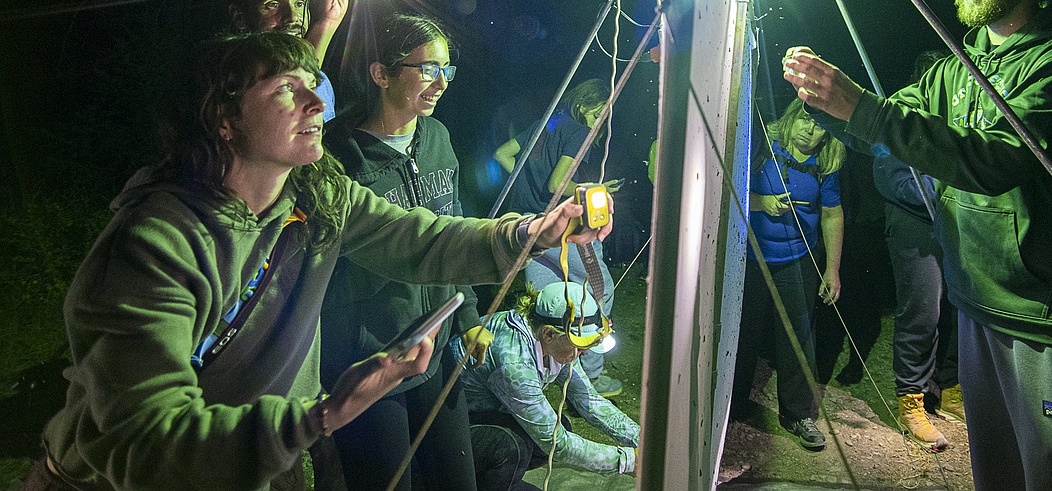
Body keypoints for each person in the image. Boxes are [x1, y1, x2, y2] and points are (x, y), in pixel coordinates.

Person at [25, 31, 612, 491]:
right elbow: (148, 447)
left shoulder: (314, 196)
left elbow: (420, 238)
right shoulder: (155, 244)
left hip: (263, 465)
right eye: (287, 88)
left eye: (315, 84)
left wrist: (532, 233)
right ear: (223, 119)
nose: (317, 102)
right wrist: (323, 414)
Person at [783, 0, 1052, 490]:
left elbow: (997, 160)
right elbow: (884, 129)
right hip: (980, 307)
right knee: (997, 476)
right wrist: (819, 99)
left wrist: (863, 110)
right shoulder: (958, 66)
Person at [320, 13, 483, 491]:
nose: (441, 83)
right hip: (373, 354)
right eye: (428, 69)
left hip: (439, 348)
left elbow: (453, 230)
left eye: (447, 70)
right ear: (382, 73)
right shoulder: (338, 155)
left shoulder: (438, 139)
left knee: (456, 481)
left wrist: (469, 313)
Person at [493, 78, 624, 396]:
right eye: (600, 112)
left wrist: (527, 189)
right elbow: (557, 184)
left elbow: (502, 155)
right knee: (599, 291)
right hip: (558, 229)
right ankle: (590, 376)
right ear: (584, 105)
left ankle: (552, 368)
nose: (602, 119)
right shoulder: (578, 132)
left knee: (548, 299)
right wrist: (595, 190)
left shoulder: (545, 124)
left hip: (525, 226)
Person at [730, 98, 845, 452]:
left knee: (798, 337)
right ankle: (730, 407)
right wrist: (761, 203)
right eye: (806, 123)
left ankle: (796, 414)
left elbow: (832, 215)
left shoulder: (825, 164)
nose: (811, 132)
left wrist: (832, 269)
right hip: (750, 257)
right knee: (742, 333)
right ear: (792, 118)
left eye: (821, 127)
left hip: (797, 259)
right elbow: (727, 190)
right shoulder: (762, 146)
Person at [460, 282, 639, 488]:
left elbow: (588, 400)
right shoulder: (514, 362)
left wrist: (640, 438)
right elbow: (558, 443)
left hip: (486, 412)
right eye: (580, 346)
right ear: (548, 334)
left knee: (560, 424)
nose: (584, 353)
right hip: (451, 431)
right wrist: (630, 461)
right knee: (510, 446)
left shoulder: (552, 339)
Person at [871, 50, 961, 451]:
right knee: (922, 311)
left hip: (955, 227)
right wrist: (947, 191)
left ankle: (948, 387)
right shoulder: (901, 113)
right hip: (914, 227)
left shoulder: (958, 116)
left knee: (960, 308)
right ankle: (912, 400)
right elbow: (889, 177)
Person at [228, 0, 353, 122]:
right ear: (240, 18)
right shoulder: (230, 83)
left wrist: (329, 20)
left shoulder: (320, 82)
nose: (293, 17)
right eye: (273, 5)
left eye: (299, 3)